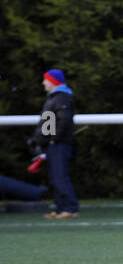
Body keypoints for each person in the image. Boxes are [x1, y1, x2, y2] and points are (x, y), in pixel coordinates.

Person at [31, 69, 78, 220]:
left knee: (60, 177)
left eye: (46, 80)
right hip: (53, 144)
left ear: (53, 81)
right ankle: (60, 209)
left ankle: (69, 209)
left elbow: (63, 122)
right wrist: (42, 141)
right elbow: (49, 122)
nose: (43, 83)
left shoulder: (61, 98)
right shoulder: (54, 98)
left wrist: (54, 139)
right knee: (55, 177)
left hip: (59, 144)